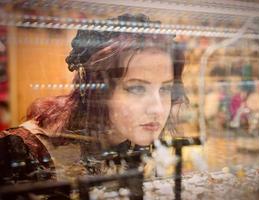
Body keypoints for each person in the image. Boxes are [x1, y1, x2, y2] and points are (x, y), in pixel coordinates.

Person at [0, 14, 188, 183]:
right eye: (137, 88)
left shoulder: (132, 143)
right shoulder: (24, 152)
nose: (157, 109)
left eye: (166, 88)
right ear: (97, 91)